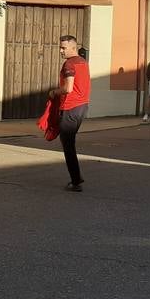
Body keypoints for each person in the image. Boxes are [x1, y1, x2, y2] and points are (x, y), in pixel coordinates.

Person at [55, 34, 90, 191]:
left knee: (68, 145)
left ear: (73, 47)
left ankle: (76, 181)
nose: (61, 51)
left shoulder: (69, 64)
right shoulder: (83, 62)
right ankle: (76, 179)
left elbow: (68, 88)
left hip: (70, 107)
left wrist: (53, 92)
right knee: (70, 143)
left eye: (63, 48)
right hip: (82, 107)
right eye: (60, 47)